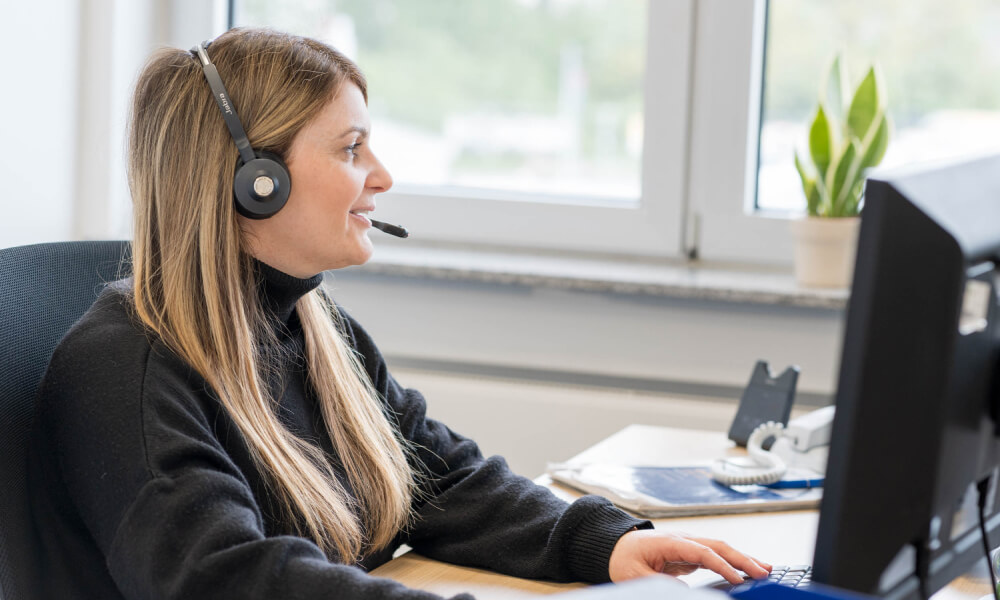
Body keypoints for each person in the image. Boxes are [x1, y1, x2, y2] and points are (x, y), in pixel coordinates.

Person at [26, 28, 770, 600]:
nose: (381, 177)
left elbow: (436, 479)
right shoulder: (127, 369)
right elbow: (224, 578)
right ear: (255, 182)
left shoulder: (316, 330)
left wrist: (602, 545)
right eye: (351, 150)